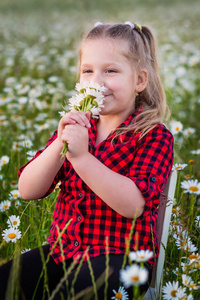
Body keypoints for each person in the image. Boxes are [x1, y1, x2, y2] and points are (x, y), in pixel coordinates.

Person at [0, 22, 174, 299]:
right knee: (6, 282)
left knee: (71, 294)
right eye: (87, 71)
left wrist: (81, 158)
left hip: (122, 259)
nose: (96, 82)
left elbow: (133, 205)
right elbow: (28, 190)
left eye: (111, 71)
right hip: (63, 251)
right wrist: (61, 142)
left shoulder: (152, 135)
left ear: (140, 80)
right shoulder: (77, 128)